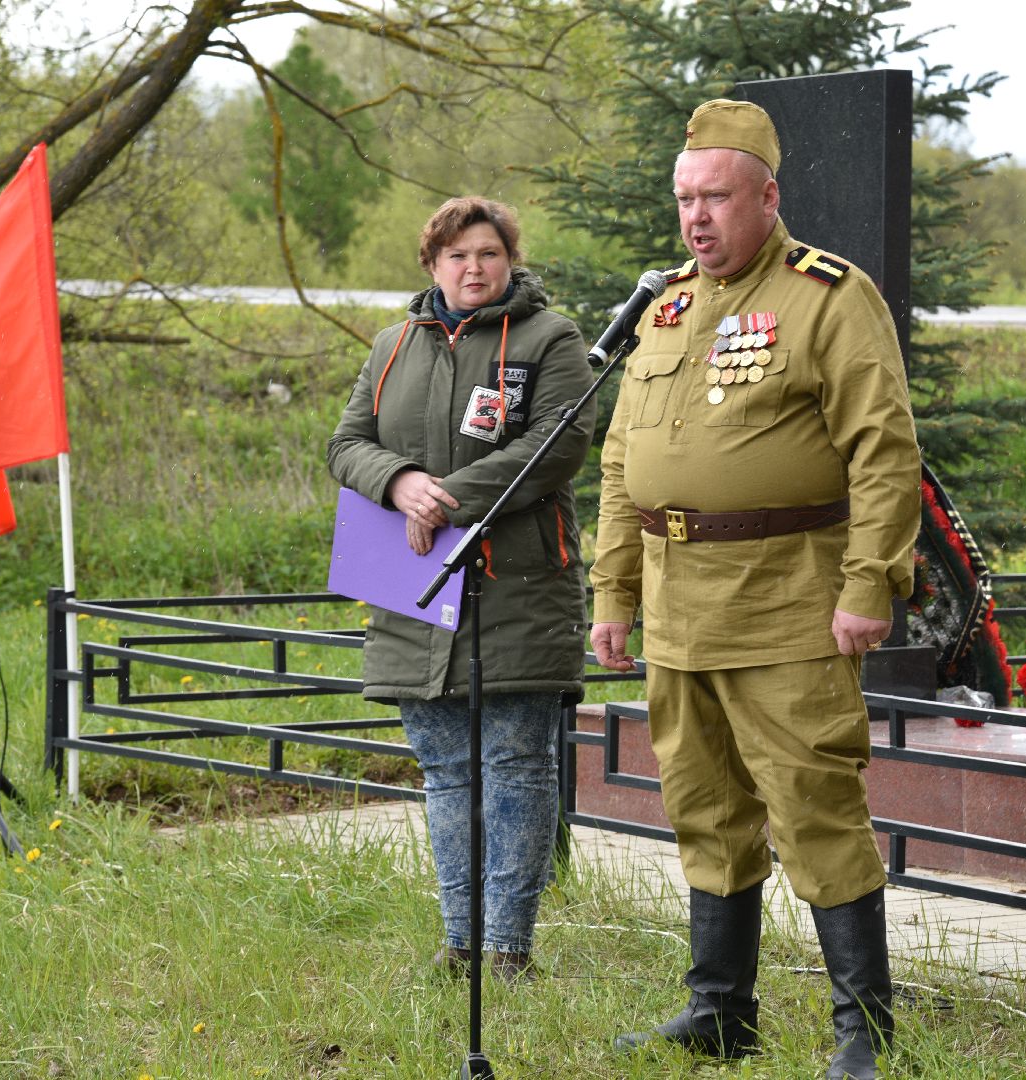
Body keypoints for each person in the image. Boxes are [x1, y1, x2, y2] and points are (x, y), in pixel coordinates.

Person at [590, 100, 921, 1079]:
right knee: (705, 812)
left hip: (787, 604)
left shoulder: (827, 296)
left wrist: (869, 582)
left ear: (767, 197)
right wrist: (613, 594)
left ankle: (864, 1031)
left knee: (815, 811)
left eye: (717, 197)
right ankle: (719, 1013)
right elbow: (621, 463)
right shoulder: (663, 308)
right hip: (677, 603)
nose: (697, 218)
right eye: (684, 199)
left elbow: (883, 449)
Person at [328, 196, 593, 981]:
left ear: (510, 258)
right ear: (432, 265)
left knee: (515, 761)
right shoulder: (391, 345)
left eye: (487, 252)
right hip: (411, 587)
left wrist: (447, 500)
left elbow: (559, 443)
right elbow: (346, 445)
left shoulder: (551, 338)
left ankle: (507, 948)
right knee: (444, 768)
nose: (473, 267)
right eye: (456, 255)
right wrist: (401, 481)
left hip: (518, 590)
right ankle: (460, 944)